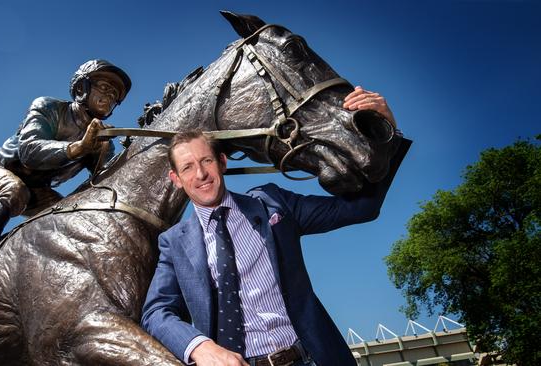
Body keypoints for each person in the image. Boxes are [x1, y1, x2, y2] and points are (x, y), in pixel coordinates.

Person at [140, 88, 408, 366]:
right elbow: (157, 312)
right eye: (188, 168)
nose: (201, 174)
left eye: (206, 161)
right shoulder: (174, 242)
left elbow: (360, 208)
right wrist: (200, 347)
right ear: (176, 178)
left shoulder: (271, 203)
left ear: (222, 163)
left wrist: (384, 132)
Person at [0, 59, 131, 307]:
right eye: (104, 88)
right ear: (82, 88)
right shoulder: (48, 107)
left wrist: (114, 153)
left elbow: (101, 185)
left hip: (40, 189)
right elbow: (29, 150)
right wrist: (78, 147)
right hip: (3, 170)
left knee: (68, 223)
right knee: (15, 192)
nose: (108, 97)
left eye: (114, 95)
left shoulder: (101, 141)